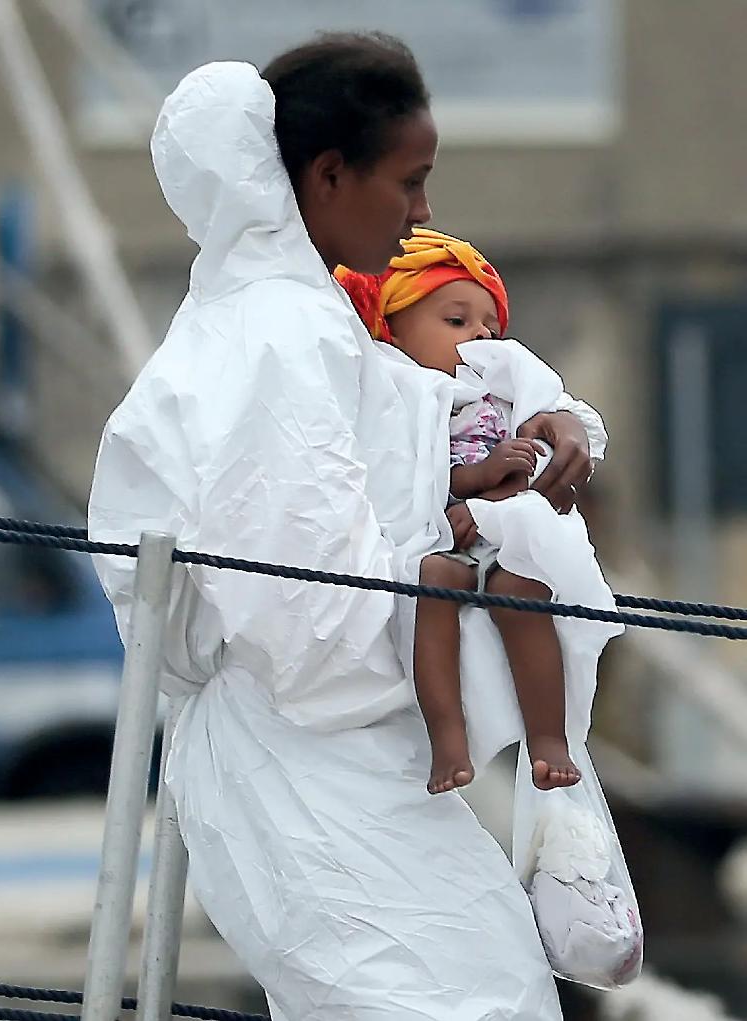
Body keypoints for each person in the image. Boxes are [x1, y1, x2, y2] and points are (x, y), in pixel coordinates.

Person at [89, 33, 609, 1021]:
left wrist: (552, 432)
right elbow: (317, 638)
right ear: (328, 176)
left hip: (338, 768)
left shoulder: (299, 320)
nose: (423, 214)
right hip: (301, 775)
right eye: (409, 183)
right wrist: (469, 568)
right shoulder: (275, 341)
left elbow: (422, 416)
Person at [337, 229, 590, 796]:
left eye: (489, 327)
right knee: (435, 585)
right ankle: (447, 738)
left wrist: (539, 452)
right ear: (393, 329)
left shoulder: (498, 392)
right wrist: (475, 481)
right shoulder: (396, 396)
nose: (479, 336)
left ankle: (549, 739)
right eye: (456, 322)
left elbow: (546, 428)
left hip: (503, 533)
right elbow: (398, 477)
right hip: (437, 537)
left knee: (526, 591)